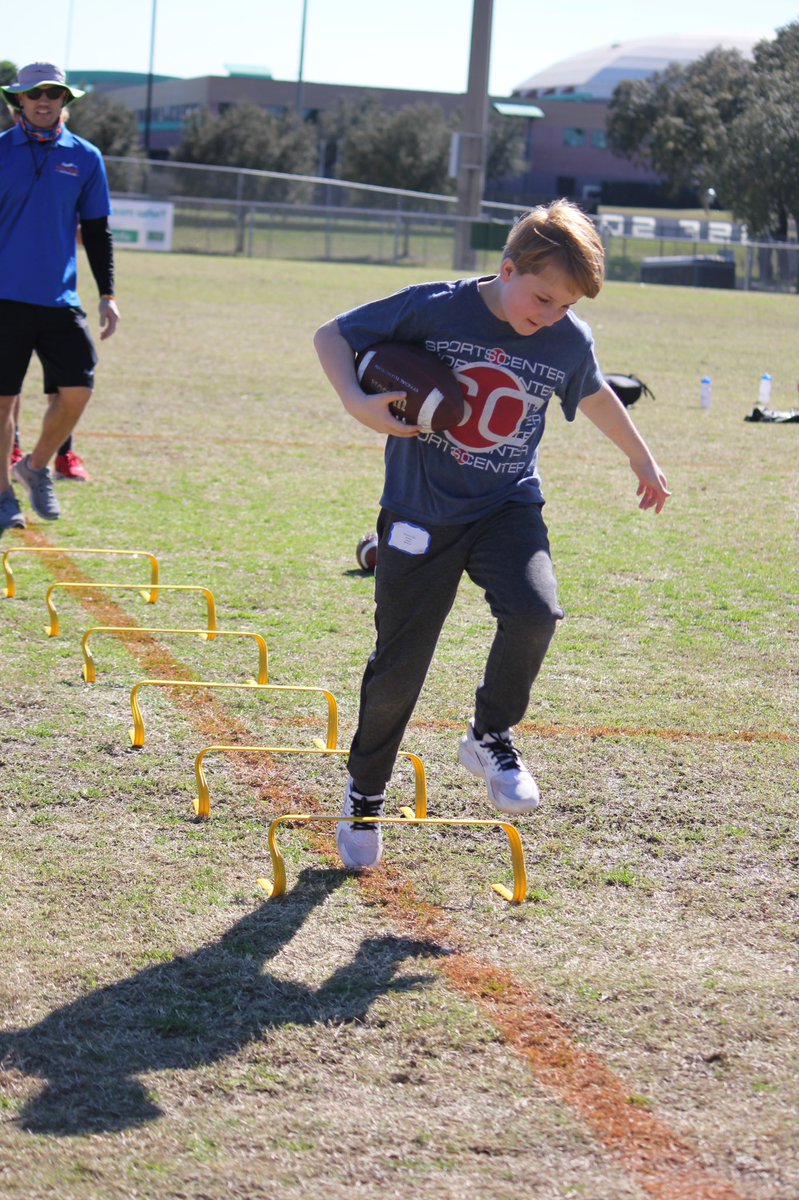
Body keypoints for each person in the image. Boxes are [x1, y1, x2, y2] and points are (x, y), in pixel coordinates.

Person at [314, 198, 670, 871]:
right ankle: (364, 797)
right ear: (506, 269)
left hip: (507, 505)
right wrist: (357, 404)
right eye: (540, 299)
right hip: (419, 510)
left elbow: (589, 389)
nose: (549, 317)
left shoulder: (567, 337)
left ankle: (489, 733)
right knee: (400, 666)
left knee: (536, 612)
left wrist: (640, 457)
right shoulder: (434, 307)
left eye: (563, 306)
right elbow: (331, 335)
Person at [0, 62, 118, 533]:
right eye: (34, 94)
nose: (44, 101)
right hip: (3, 299)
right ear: (19, 102)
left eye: (54, 94)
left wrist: (108, 293)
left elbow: (97, 230)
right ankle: (3, 497)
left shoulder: (86, 157)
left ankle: (36, 465)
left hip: (59, 299)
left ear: (65, 101)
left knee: (77, 391)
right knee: (3, 403)